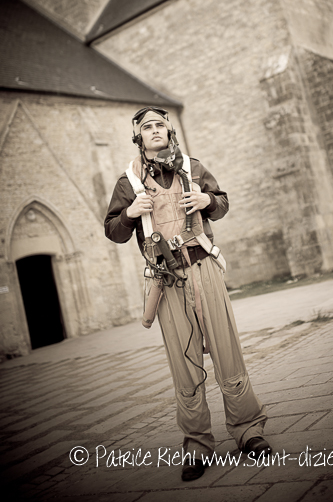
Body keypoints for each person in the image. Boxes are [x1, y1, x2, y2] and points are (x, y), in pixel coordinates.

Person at [104, 107, 270, 481]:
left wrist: (207, 202)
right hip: (167, 280)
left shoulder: (193, 168)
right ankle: (197, 443)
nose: (155, 130)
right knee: (185, 363)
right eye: (147, 127)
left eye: (160, 125)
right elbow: (113, 230)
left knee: (227, 351)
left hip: (204, 267)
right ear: (138, 137)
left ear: (170, 131)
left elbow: (222, 202)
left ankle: (248, 430)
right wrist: (130, 213)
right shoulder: (128, 182)